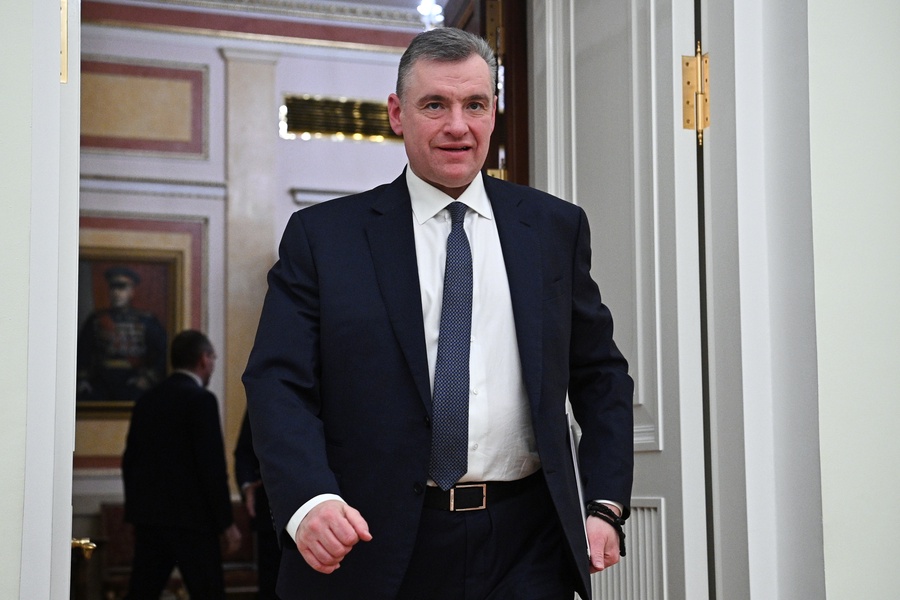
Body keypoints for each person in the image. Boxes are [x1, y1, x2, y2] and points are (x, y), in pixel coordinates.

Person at [242, 27, 633, 600]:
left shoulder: (554, 228)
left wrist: (605, 504)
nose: (457, 125)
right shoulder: (324, 238)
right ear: (397, 114)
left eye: (474, 104)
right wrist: (309, 499)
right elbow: (277, 382)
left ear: (493, 112)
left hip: (528, 544)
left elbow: (601, 374)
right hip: (373, 542)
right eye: (435, 105)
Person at [122, 329, 241, 599]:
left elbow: (130, 462)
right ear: (203, 359)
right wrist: (226, 523)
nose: (213, 364)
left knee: (141, 594)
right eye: (213, 358)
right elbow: (211, 468)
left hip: (151, 521)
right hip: (194, 524)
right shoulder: (202, 401)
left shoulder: (146, 401)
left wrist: (133, 515)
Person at [76, 265, 167, 401]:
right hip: (101, 383)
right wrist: (82, 380)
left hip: (134, 382)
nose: (116, 293)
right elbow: (82, 353)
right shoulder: (95, 320)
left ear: (131, 292)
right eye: (113, 288)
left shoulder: (147, 321)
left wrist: (148, 379)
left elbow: (163, 352)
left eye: (122, 288)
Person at [234, 410, 281, 598]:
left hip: (321, 502)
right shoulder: (265, 399)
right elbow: (244, 452)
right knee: (271, 584)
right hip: (270, 506)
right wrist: (248, 487)